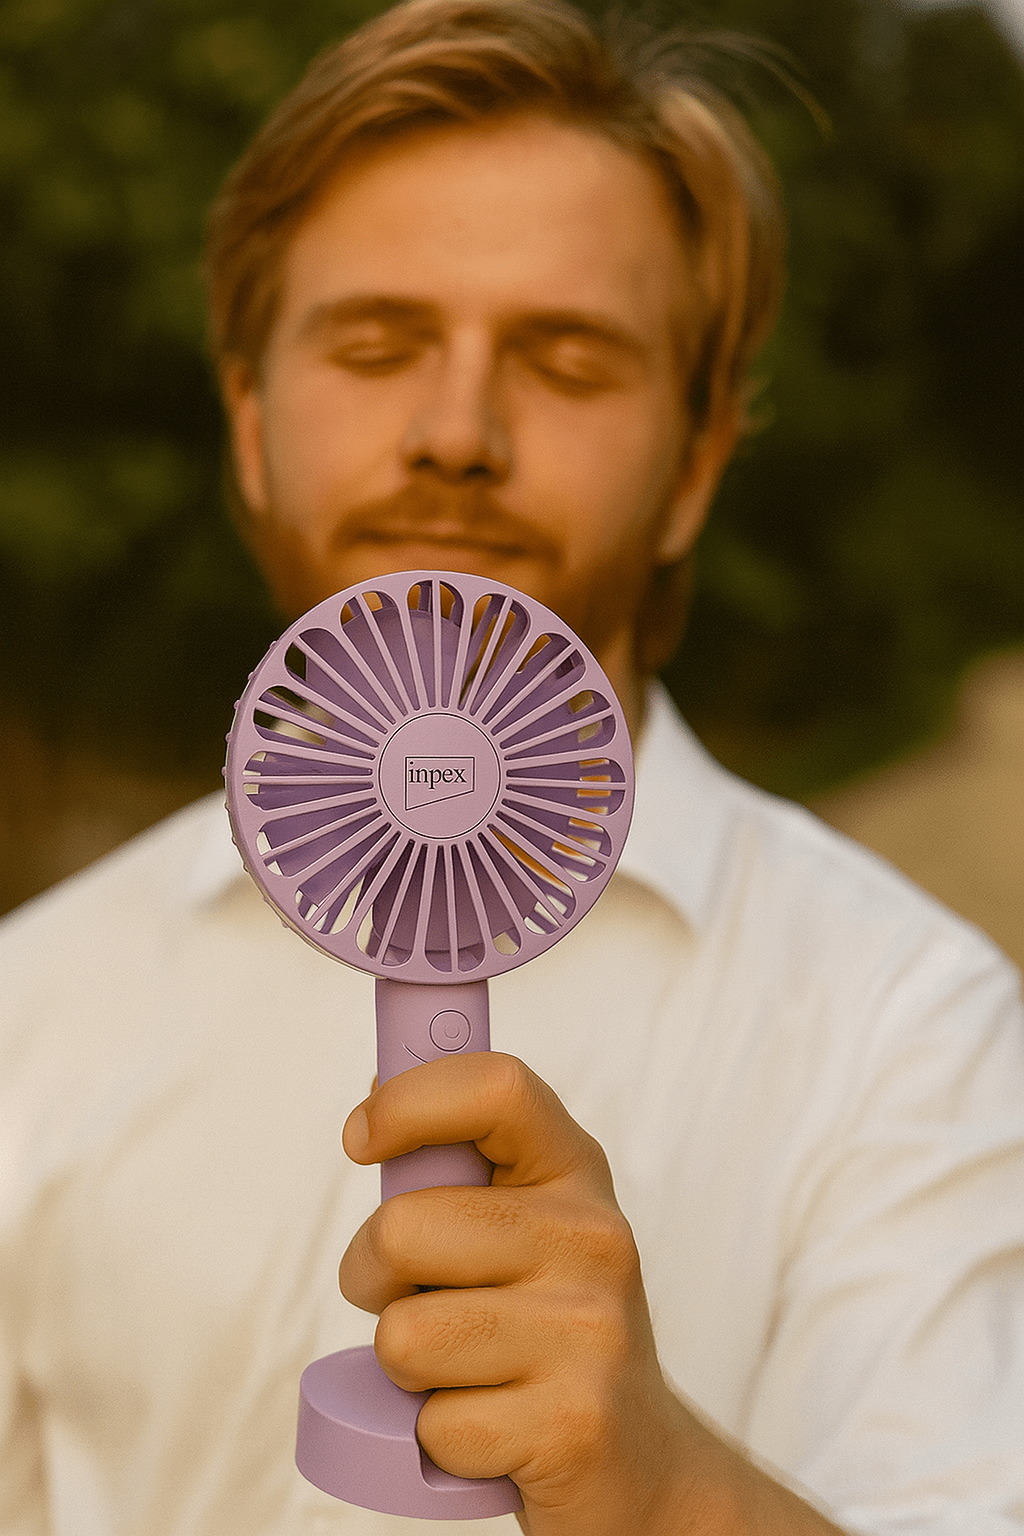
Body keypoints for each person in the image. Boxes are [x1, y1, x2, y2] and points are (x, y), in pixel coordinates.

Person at [2, 2, 1023, 1533]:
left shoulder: (911, 1029)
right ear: (250, 425)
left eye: (566, 358)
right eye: (376, 342)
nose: (457, 430)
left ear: (690, 470)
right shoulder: (36, 1004)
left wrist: (669, 1487)